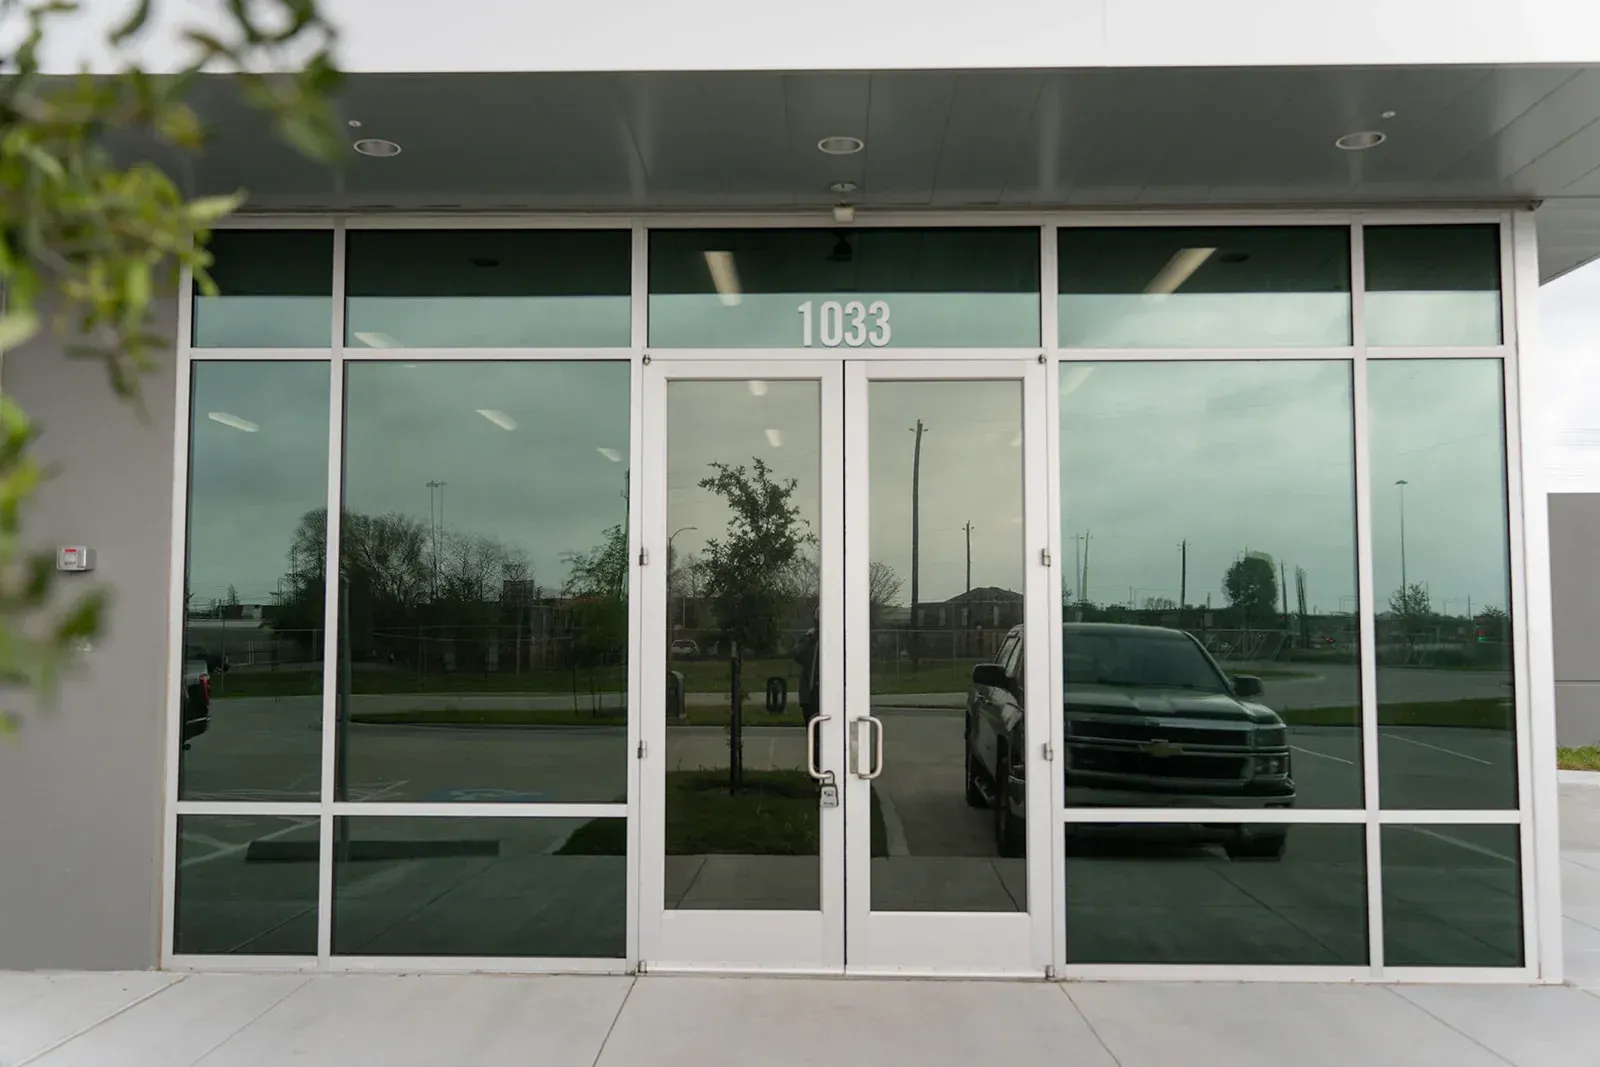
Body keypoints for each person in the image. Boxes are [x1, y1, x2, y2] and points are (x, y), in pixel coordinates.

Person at [795, 604, 820, 724]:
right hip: (810, 693)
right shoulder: (808, 638)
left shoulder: (838, 639)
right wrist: (811, 639)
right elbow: (799, 655)